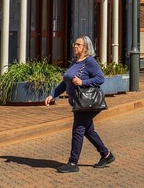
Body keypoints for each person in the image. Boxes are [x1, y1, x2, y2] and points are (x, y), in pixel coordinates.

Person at [44, 35, 114, 173]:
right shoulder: (75, 62)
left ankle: (73, 162)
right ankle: (106, 155)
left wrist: (83, 82)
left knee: (78, 130)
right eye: (74, 44)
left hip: (87, 103)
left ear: (86, 47)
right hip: (78, 102)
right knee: (88, 131)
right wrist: (53, 94)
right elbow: (66, 82)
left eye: (78, 44)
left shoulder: (90, 62)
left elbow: (100, 78)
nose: (75, 46)